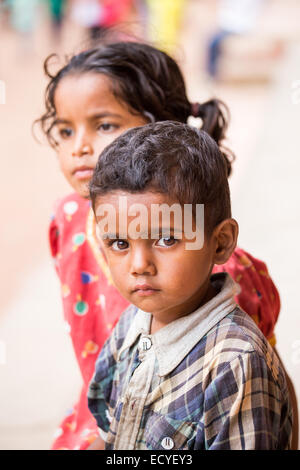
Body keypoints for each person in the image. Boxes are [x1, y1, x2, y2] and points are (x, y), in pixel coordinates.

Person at [36, 41, 289, 450]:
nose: (80, 147)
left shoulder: (233, 337)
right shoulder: (73, 226)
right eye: (65, 130)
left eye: (104, 125)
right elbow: (109, 412)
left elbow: (267, 403)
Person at [87, 121, 292, 450]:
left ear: (221, 242)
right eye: (119, 243)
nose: (139, 265)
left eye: (167, 239)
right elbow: (107, 436)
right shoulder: (130, 327)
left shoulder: (233, 364)